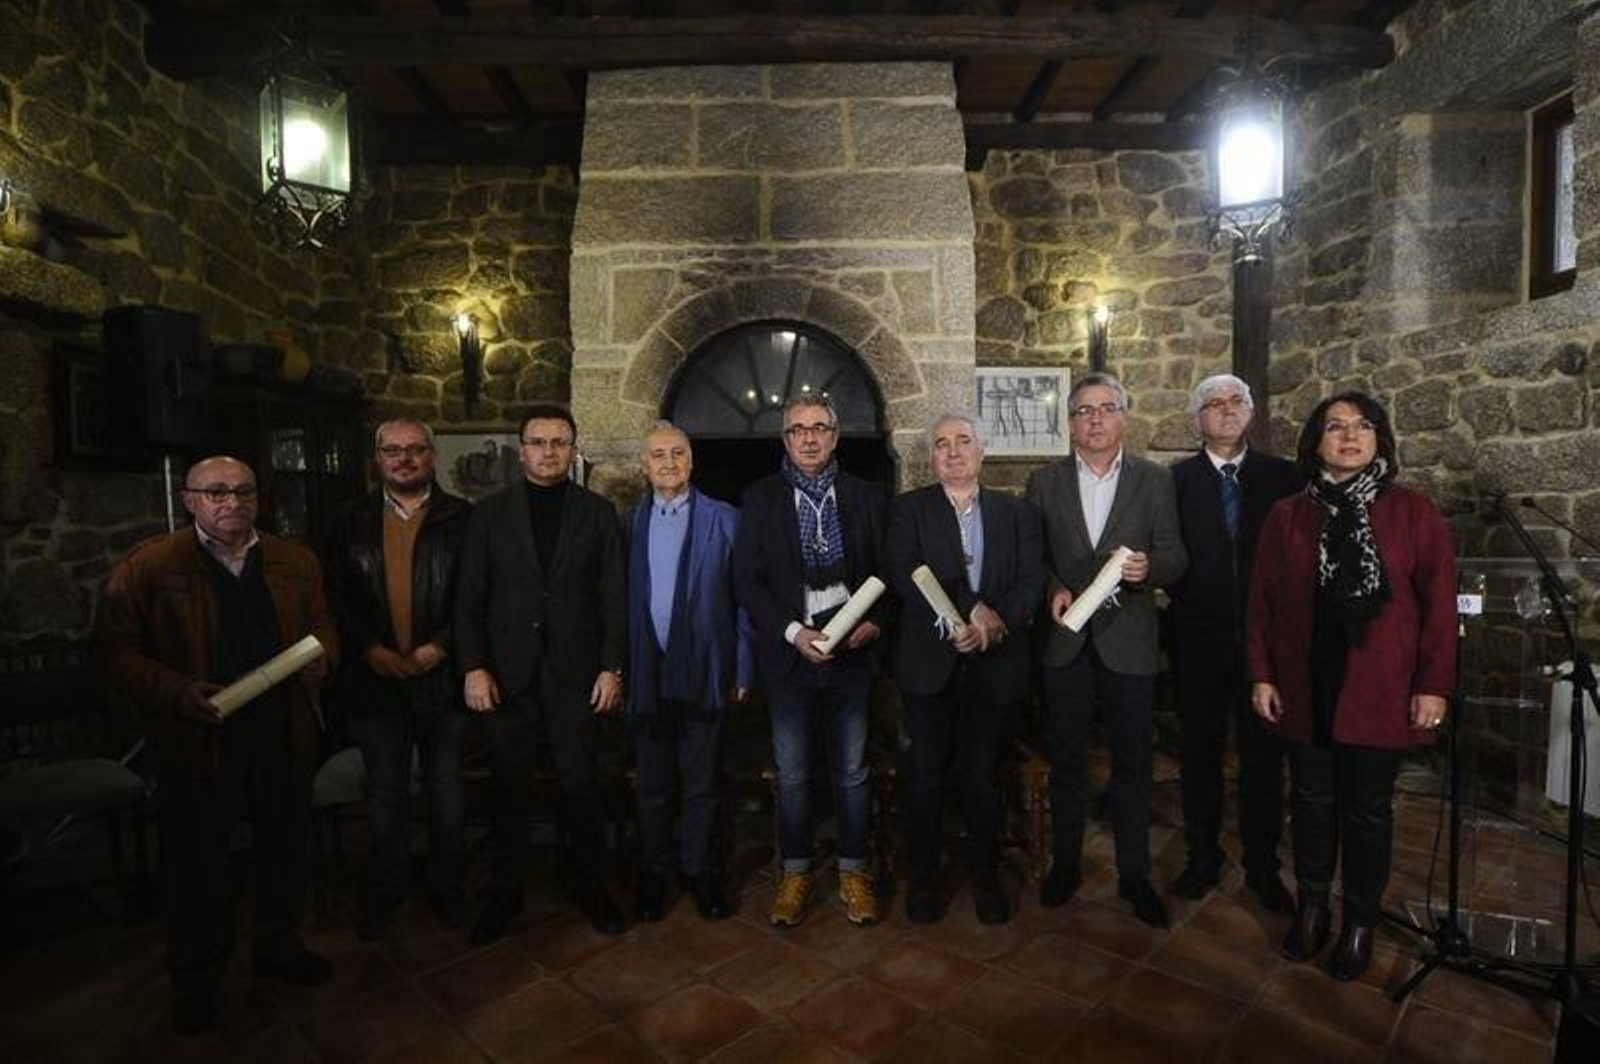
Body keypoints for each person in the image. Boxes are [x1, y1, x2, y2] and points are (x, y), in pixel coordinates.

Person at [94, 456, 339, 1035]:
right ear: (190, 499)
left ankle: (277, 946)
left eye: (243, 492)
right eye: (217, 492)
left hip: (282, 729)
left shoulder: (293, 561)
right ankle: (198, 978)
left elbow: (325, 623)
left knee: (285, 848)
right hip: (199, 736)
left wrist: (324, 656)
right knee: (198, 863)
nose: (232, 502)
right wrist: (178, 692)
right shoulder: (152, 565)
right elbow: (114, 650)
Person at [1248, 391, 1456, 981]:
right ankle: (1312, 907)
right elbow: (1260, 602)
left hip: (1381, 687)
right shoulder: (1287, 515)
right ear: (1315, 441)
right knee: (1311, 803)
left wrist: (1433, 684)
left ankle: (1359, 921)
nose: (1349, 436)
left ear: (1379, 439)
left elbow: (1439, 608)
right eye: (1335, 427)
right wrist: (1260, 672)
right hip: (1304, 683)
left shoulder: (1414, 512)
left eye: (1363, 426)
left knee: (1366, 810)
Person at [454, 403, 627, 943]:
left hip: (576, 677)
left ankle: (591, 889)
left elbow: (614, 599)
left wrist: (612, 667)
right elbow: (468, 601)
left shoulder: (598, 513)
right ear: (521, 449)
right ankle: (503, 897)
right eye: (538, 442)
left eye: (559, 442)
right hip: (507, 677)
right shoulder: (488, 513)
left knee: (581, 788)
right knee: (508, 793)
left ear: (573, 450)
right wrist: (474, 667)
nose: (549, 451)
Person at [1024, 372, 1187, 928]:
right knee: (1067, 761)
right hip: (1066, 643)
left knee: (1134, 765)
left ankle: (1135, 876)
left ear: (1123, 416)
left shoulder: (1154, 480)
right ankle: (1066, 864)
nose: (1094, 419)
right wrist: (1053, 588)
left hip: (1130, 644)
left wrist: (1149, 569)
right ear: (1069, 422)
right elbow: (1034, 559)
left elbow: (1175, 556)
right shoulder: (1042, 482)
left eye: (1105, 408)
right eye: (1082, 410)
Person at [733, 394, 890, 928]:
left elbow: (889, 573)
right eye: (797, 429)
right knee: (795, 774)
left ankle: (854, 871)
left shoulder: (868, 497)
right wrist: (794, 631)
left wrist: (875, 624)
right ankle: (796, 872)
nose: (808, 438)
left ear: (835, 435)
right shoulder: (758, 499)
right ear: (785, 439)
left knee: (851, 771)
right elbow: (746, 581)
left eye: (819, 427)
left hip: (853, 657)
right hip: (790, 659)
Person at [887, 413, 1043, 925]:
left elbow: (1029, 581)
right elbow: (906, 572)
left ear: (982, 450)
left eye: (962, 442)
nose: (952, 452)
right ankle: (926, 881)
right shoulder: (908, 511)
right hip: (928, 667)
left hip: (994, 666)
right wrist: (969, 606)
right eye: (941, 444)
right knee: (926, 777)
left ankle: (985, 878)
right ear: (931, 456)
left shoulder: (1016, 513)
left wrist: (995, 624)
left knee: (981, 778)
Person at [323, 418, 473, 940]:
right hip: (375, 681)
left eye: (414, 450)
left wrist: (443, 646)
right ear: (377, 458)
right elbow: (336, 597)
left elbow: (476, 598)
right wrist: (369, 649)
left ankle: (448, 888)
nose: (404, 459)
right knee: (385, 795)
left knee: (445, 793)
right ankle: (387, 891)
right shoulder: (348, 521)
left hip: (443, 679)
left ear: (432, 456)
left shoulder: (463, 518)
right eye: (393, 450)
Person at [1167, 375, 1302, 911]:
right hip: (1196, 638)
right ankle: (1202, 857)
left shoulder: (1286, 478)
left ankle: (1262, 866)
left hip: (1265, 644)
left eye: (1236, 401)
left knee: (1264, 759)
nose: (1225, 410)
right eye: (1213, 404)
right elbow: (1163, 552)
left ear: (1251, 410)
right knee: (1198, 755)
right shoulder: (1172, 481)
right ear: (1197, 418)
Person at [623, 421, 753, 922]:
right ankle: (656, 873)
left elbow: (743, 603)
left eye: (678, 453)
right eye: (658, 455)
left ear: (692, 461)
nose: (669, 463)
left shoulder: (725, 520)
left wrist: (741, 665)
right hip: (645, 674)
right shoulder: (627, 523)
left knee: (701, 783)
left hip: (705, 670)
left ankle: (699, 871)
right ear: (644, 464)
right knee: (653, 786)